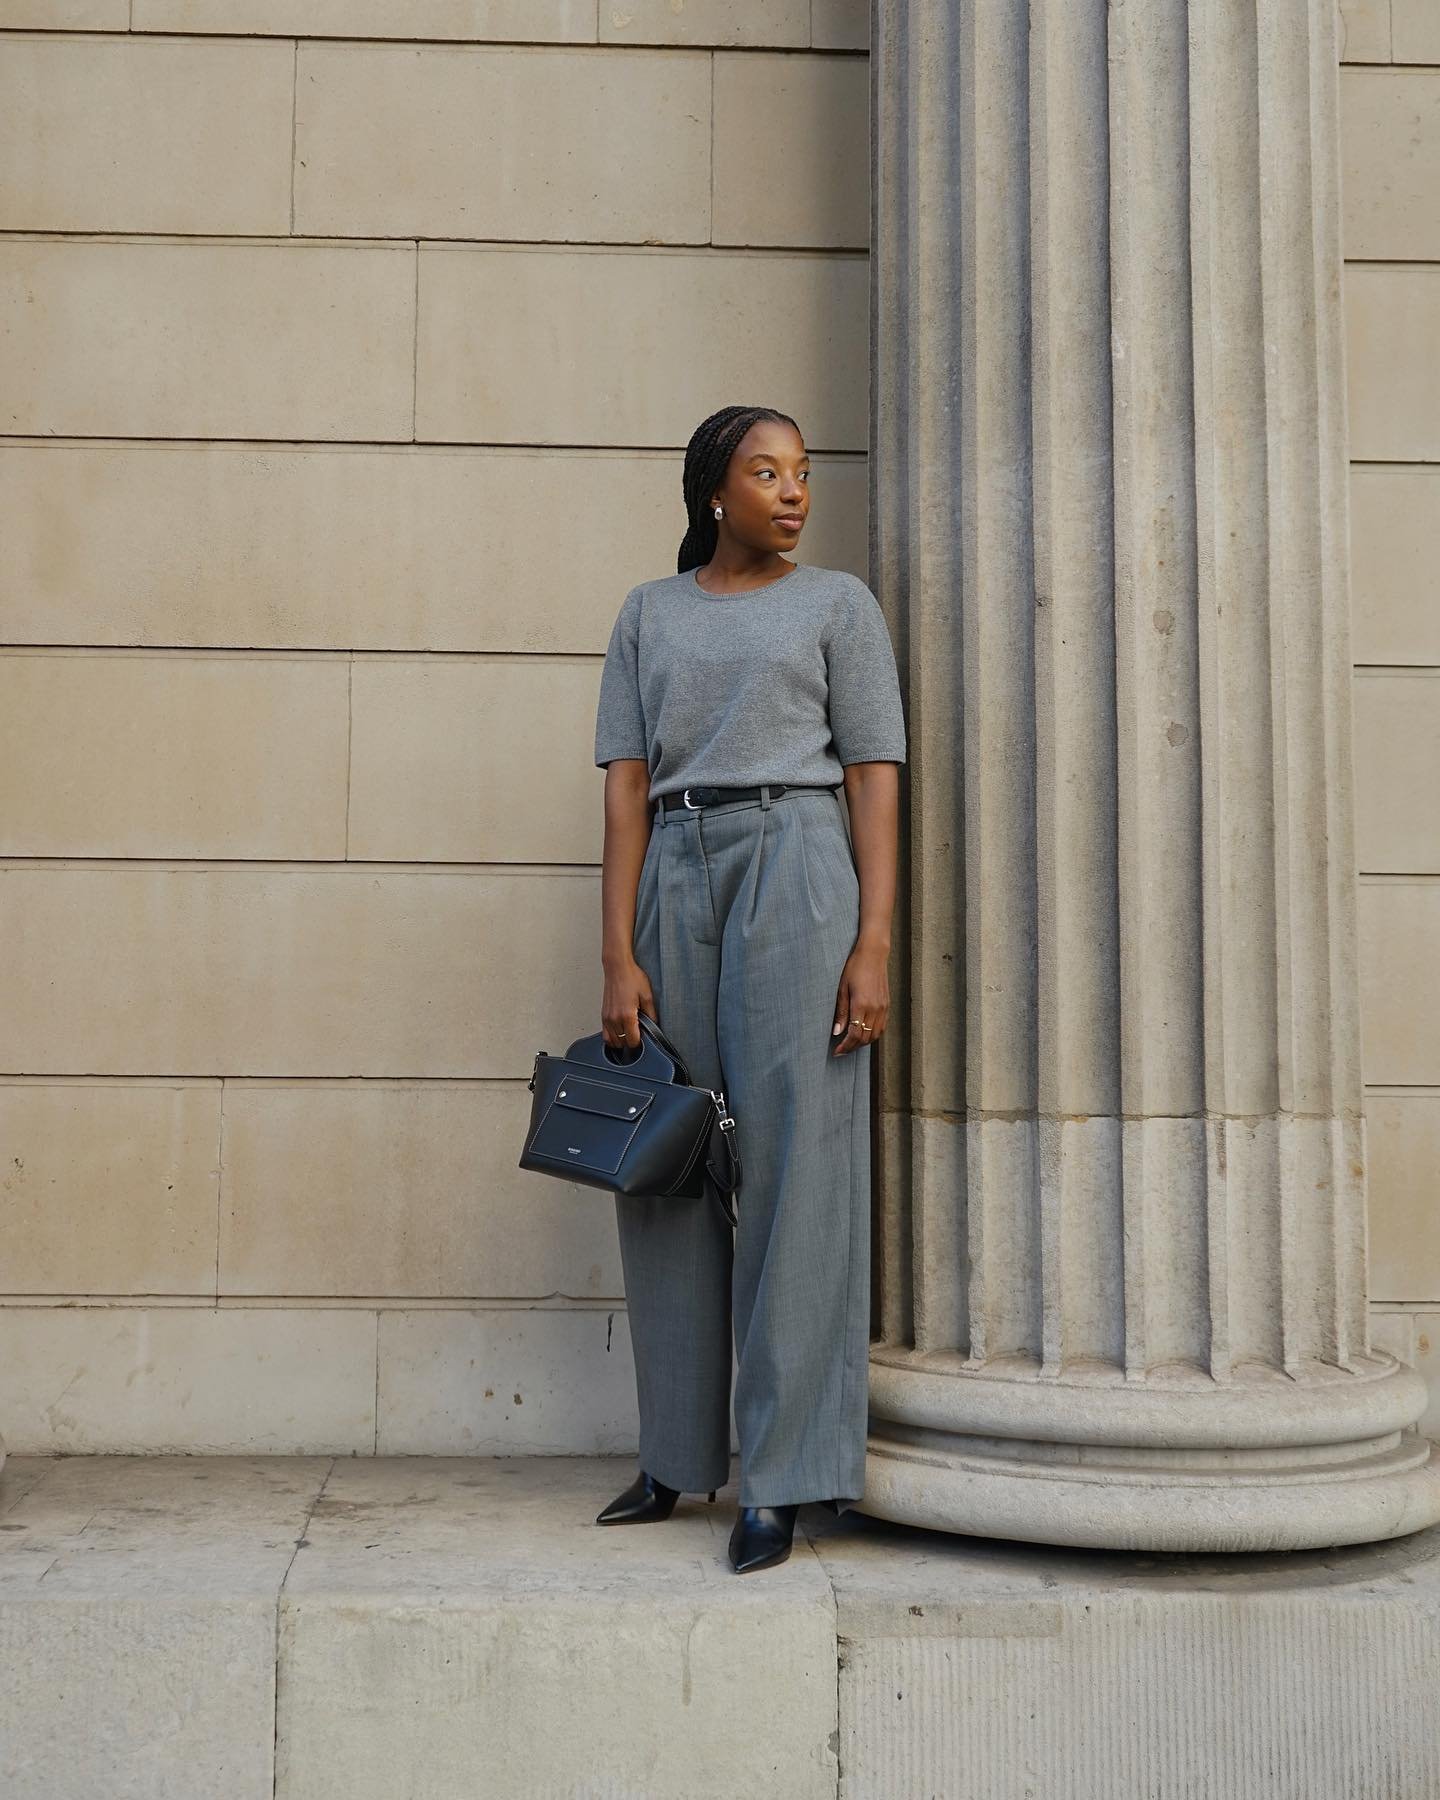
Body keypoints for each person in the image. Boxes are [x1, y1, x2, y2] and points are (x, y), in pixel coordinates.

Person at [590, 403, 906, 1574]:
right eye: (765, 472)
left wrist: (872, 943)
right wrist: (616, 953)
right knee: (666, 1161)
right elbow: (625, 787)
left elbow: (874, 779)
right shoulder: (649, 613)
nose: (792, 492)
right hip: (676, 867)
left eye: (803, 473)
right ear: (711, 493)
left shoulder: (837, 606)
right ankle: (676, 1456)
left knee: (795, 1168)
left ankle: (784, 1475)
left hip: (798, 864)